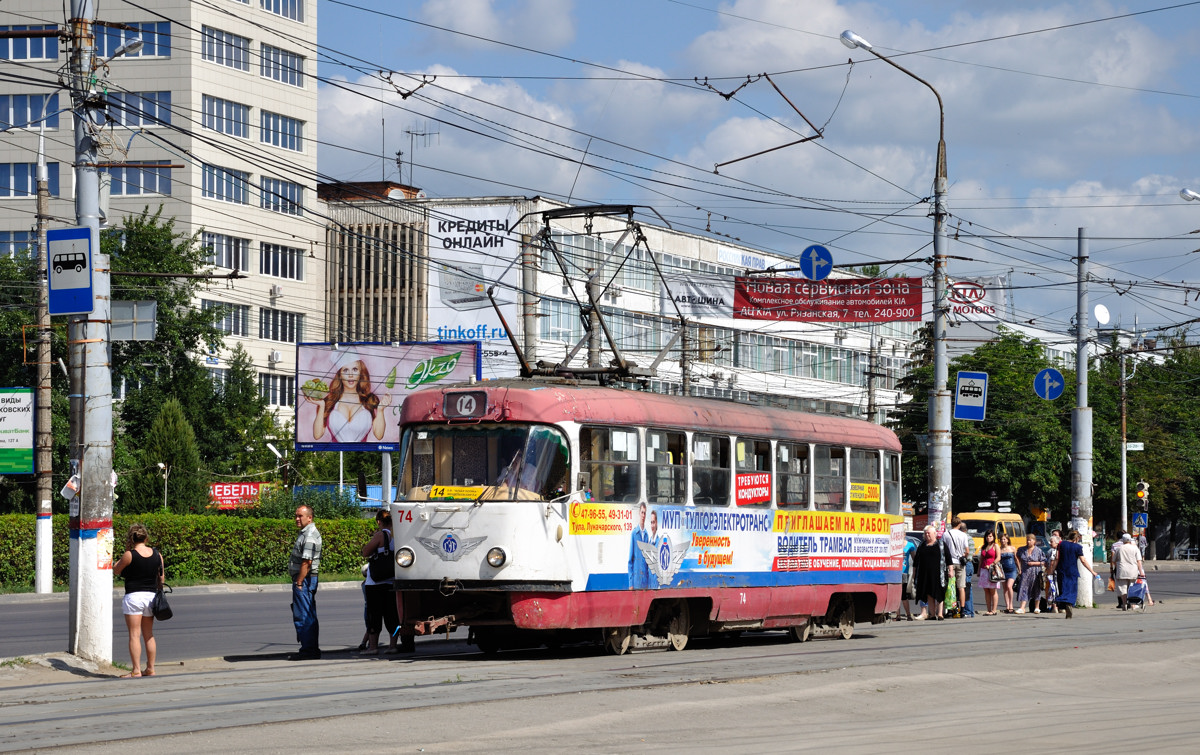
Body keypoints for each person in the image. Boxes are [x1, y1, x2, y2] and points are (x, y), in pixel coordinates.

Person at [112, 523, 164, 678]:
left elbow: (116, 570)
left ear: (131, 539)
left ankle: (136, 670)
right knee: (149, 634)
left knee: (134, 634)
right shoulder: (157, 554)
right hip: (151, 596)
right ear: (146, 538)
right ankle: (150, 668)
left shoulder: (130, 555)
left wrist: (127, 550)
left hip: (134, 597)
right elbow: (161, 578)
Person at [305, 358, 392, 442]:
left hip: (361, 455)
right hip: (337, 455)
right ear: (340, 375)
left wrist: (380, 410)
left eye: (355, 369)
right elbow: (317, 435)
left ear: (361, 373)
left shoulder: (370, 400)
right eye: (345, 370)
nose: (350, 375)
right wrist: (321, 405)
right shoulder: (329, 401)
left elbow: (379, 435)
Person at [360, 510, 400, 654]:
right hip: (391, 581)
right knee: (392, 615)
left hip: (375, 583)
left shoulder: (380, 535)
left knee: (374, 616)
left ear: (378, 522)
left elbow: (365, 552)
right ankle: (393, 646)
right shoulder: (399, 535)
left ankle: (372, 647)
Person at [289, 505, 322, 660]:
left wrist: (299, 582)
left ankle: (308, 650)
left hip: (306, 580)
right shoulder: (306, 533)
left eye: (300, 516)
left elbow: (306, 562)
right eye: (296, 516)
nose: (297, 519)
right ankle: (310, 649)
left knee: (304, 616)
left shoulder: (309, 535)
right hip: (307, 580)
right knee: (307, 614)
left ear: (309, 517)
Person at [1049, 529, 1098, 619]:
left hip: (1061, 571)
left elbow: (1057, 558)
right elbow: (1083, 560)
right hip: (1072, 572)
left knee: (1063, 589)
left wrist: (1051, 570)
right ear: (1077, 538)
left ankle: (1063, 604)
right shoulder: (1078, 547)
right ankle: (1069, 604)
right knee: (1071, 590)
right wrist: (1092, 571)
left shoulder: (1061, 544)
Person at [912, 525, 946, 621]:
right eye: (925, 533)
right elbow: (916, 561)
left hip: (938, 574)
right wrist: (914, 574)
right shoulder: (922, 545)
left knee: (939, 594)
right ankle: (932, 614)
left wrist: (951, 570)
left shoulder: (941, 545)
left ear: (934, 534)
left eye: (929, 533)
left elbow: (948, 558)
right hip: (925, 574)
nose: (927, 535)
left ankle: (940, 614)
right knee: (929, 594)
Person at [941, 516, 972, 617]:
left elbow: (943, 548)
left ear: (951, 523)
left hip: (949, 562)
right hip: (960, 562)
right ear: (959, 524)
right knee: (961, 587)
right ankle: (962, 610)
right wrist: (963, 556)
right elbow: (967, 551)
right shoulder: (963, 535)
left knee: (950, 586)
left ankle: (950, 609)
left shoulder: (946, 534)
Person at [1112, 533, 1145, 611]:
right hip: (1133, 571)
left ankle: (1124, 604)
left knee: (1123, 588)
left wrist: (1117, 568)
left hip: (1122, 571)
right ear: (1130, 540)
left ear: (1122, 540)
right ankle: (1133, 605)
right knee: (1132, 588)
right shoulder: (1135, 548)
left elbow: (1114, 560)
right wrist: (1141, 572)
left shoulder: (1119, 549)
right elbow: (1139, 562)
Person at [1015, 534, 1046, 614]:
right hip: (1025, 572)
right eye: (1027, 540)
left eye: (1030, 540)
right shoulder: (1022, 549)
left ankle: (1037, 607)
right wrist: (1019, 568)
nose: (1028, 542)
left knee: (1036, 589)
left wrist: (1034, 563)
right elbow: (1017, 557)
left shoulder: (1038, 551)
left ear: (1034, 541)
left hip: (1035, 572)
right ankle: (1022, 607)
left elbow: (1044, 562)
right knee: (1024, 589)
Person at [976, 529, 1000, 615]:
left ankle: (994, 610)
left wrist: (991, 565)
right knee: (986, 590)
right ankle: (988, 609)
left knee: (993, 590)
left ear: (993, 537)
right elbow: (981, 560)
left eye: (990, 536)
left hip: (992, 570)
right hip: (983, 570)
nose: (988, 538)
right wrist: (978, 570)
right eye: (987, 536)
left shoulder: (995, 546)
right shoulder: (983, 547)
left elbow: (998, 557)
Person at [628, 502, 649, 589]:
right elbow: (630, 560)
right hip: (636, 581)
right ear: (639, 513)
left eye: (645, 513)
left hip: (645, 581)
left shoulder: (647, 535)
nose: (643, 515)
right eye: (642, 512)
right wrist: (630, 583)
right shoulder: (634, 533)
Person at [999, 532, 1019, 613]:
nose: (1003, 541)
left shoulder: (1012, 548)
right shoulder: (999, 549)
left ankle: (1011, 605)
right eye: (1001, 539)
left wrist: (1019, 568)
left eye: (1004, 539)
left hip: (1012, 570)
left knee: (1009, 586)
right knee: (1005, 588)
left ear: (1007, 540)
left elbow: (1016, 559)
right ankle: (1007, 605)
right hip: (1003, 571)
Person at [900, 535, 918, 620]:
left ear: (904, 535)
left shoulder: (910, 545)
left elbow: (915, 559)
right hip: (895, 571)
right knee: (896, 594)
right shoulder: (893, 545)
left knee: (903, 594)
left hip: (904, 571)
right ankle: (897, 615)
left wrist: (916, 569)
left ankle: (908, 615)